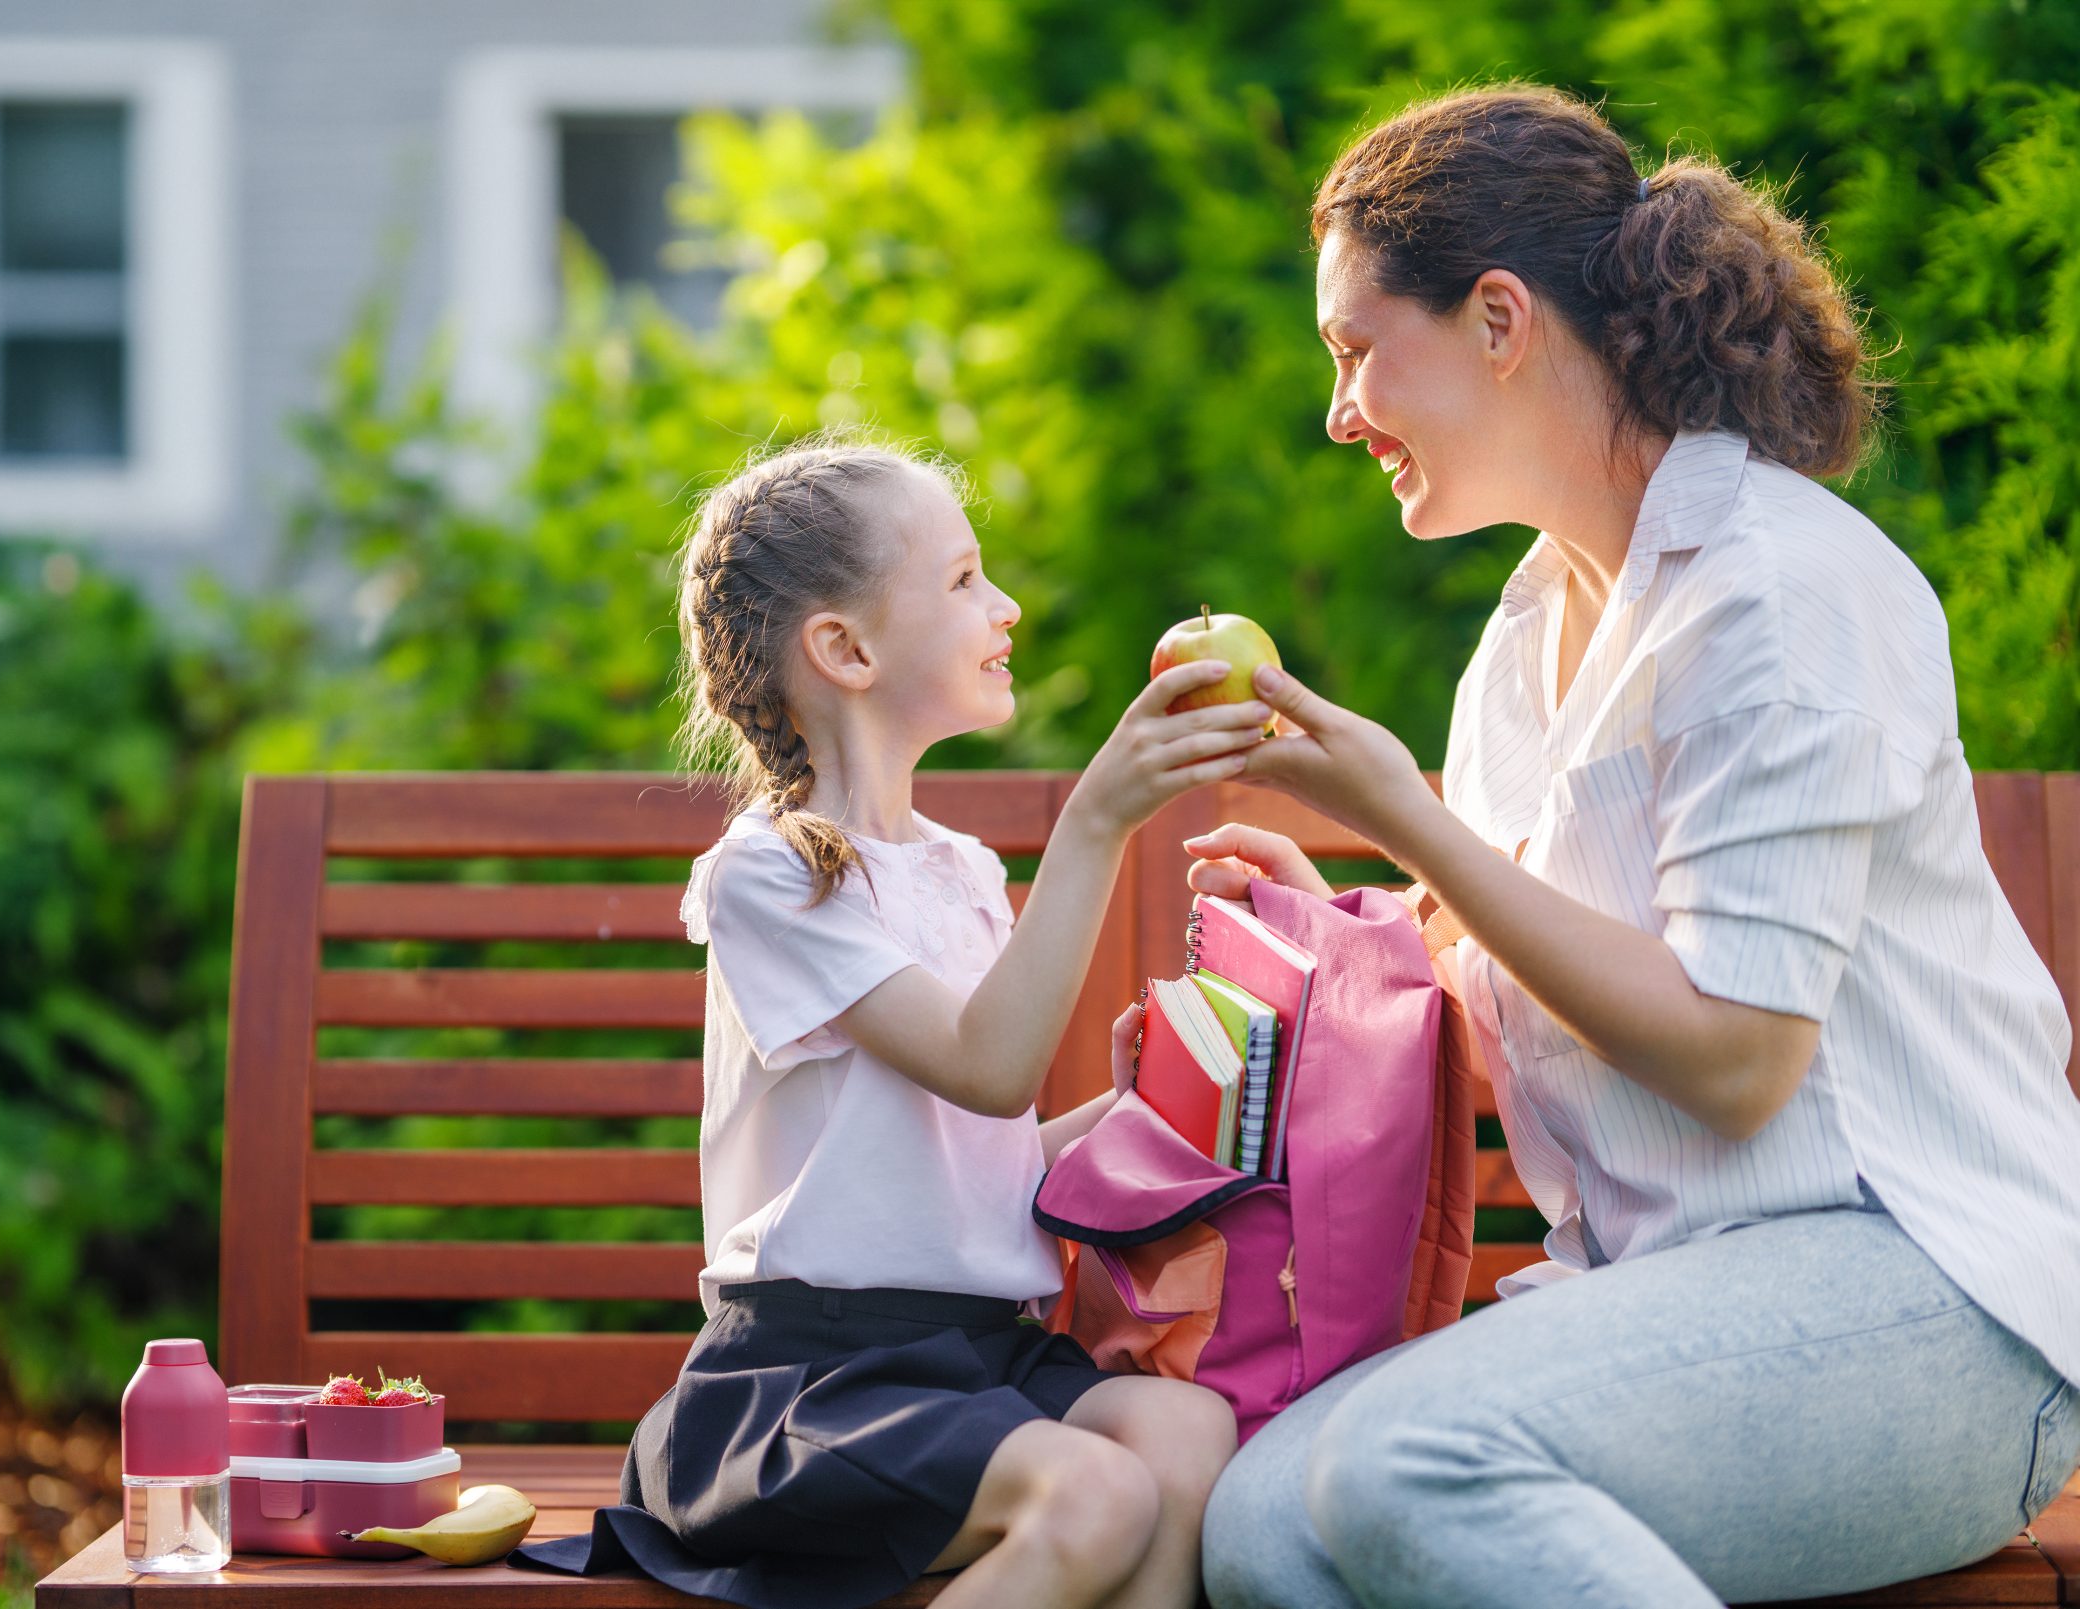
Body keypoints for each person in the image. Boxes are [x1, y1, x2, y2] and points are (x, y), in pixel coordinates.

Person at [1176, 84, 2080, 1608]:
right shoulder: (1528, 629)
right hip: (1678, 1298)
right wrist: (1356, 921)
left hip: (1936, 1301)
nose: (1339, 414)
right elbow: (1516, 963)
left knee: (1407, 1465)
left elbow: (1736, 1057)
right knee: (1259, 1528)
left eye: (1354, 351)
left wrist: (1404, 810)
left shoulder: (1774, 596)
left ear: (1500, 318)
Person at [516, 437, 1248, 1609]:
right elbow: (987, 1066)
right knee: (1096, 1493)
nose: (1004, 605)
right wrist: (1097, 818)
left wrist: (1141, 1107)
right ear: (845, 650)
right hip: (813, 1378)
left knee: (1186, 1439)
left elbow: (969, 1150)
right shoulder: (771, 877)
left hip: (982, 1359)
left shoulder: (958, 868)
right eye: (963, 580)